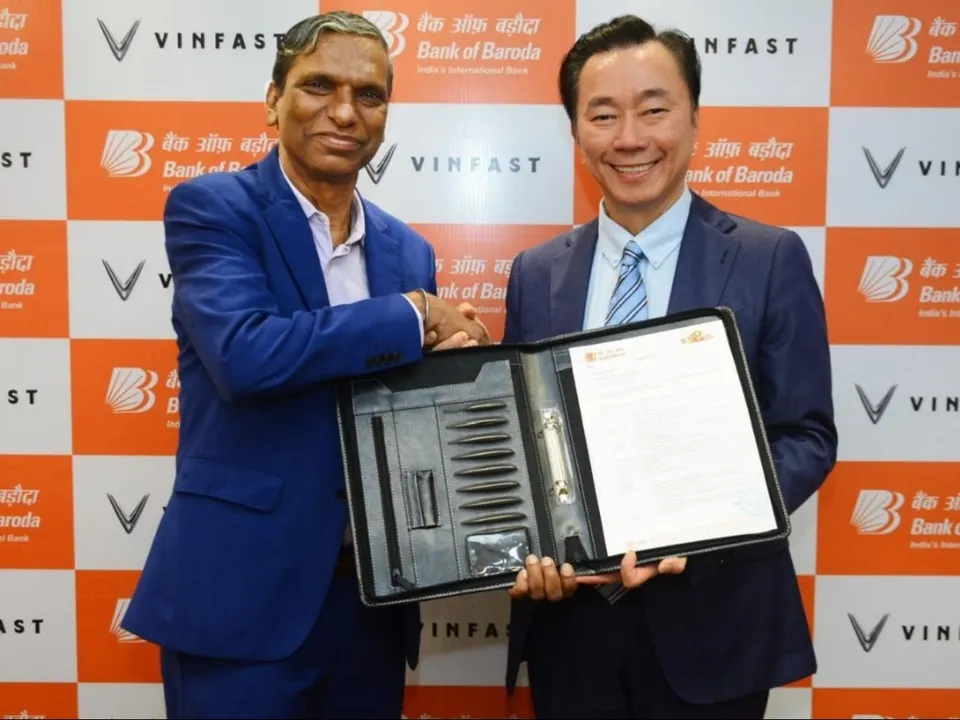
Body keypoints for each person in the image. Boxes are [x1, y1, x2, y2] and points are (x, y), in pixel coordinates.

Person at [120, 11, 489, 720]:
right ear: (272, 100)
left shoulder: (408, 250)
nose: (345, 111)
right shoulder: (214, 208)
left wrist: (451, 376)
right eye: (319, 85)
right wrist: (413, 318)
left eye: (370, 94)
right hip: (241, 602)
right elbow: (246, 355)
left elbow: (400, 412)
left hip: (372, 602)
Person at [501, 14, 837, 720]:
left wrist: (703, 520)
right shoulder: (536, 274)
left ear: (693, 120)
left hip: (716, 623)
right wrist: (524, 544)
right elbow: (533, 446)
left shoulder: (768, 258)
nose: (630, 138)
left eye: (654, 110)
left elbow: (806, 436)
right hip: (572, 629)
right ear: (576, 132)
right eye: (603, 114)